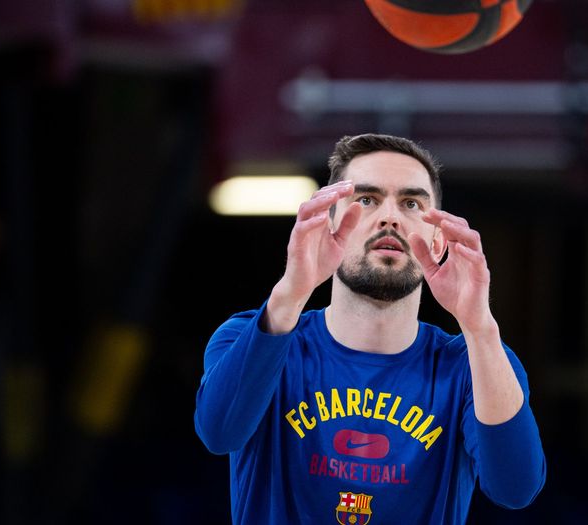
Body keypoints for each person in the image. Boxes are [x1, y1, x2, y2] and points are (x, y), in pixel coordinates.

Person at [194, 133, 546, 524]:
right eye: (366, 199)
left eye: (411, 203)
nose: (389, 217)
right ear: (328, 224)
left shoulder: (477, 363)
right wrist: (290, 294)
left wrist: (479, 326)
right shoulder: (251, 335)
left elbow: (515, 489)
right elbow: (219, 433)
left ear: (438, 241)